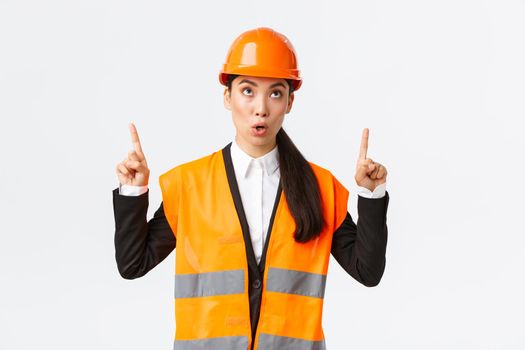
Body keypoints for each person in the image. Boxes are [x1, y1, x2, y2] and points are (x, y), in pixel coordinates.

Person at [113, 27, 389, 350]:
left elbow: (367, 270)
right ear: (227, 97)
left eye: (275, 93)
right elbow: (133, 264)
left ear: (289, 102)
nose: (261, 108)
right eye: (247, 91)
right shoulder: (189, 186)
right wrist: (134, 192)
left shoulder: (319, 188)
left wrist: (371, 195)